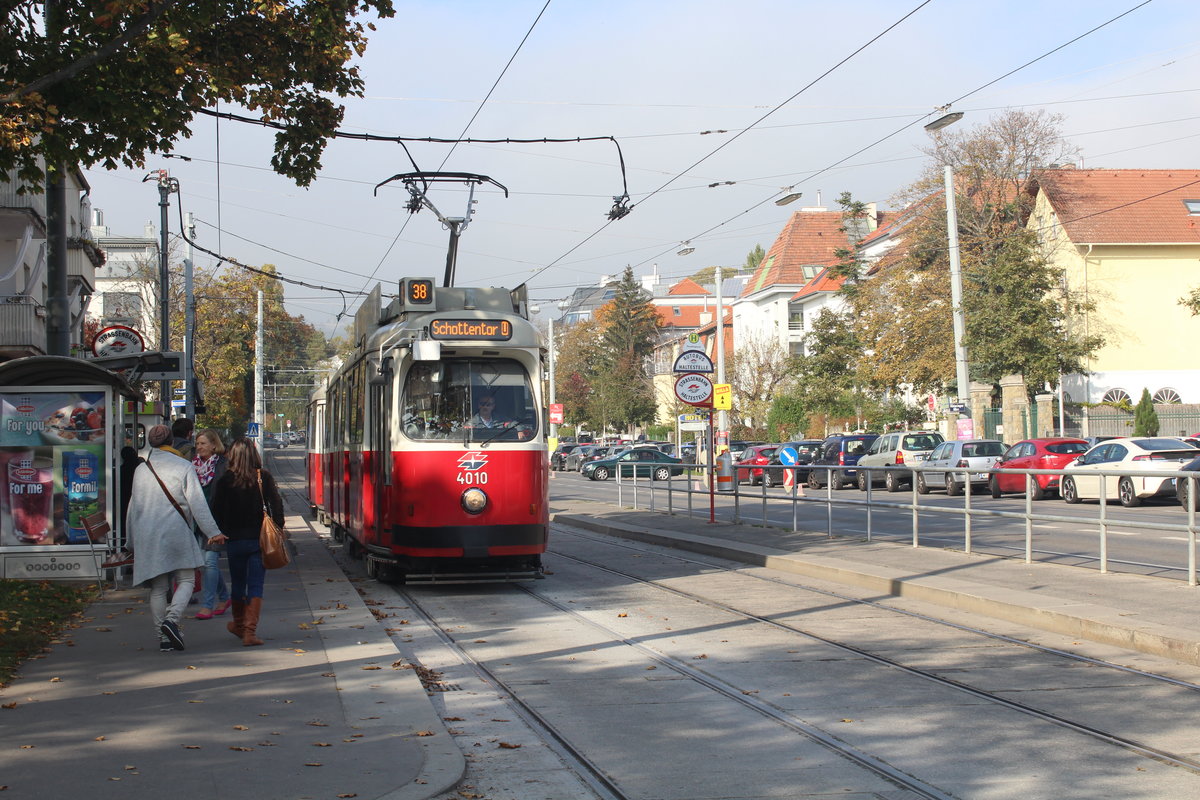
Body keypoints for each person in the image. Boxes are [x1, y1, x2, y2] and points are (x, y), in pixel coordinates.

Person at [127, 424, 227, 652]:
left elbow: (132, 508)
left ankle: (163, 637)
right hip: (176, 532)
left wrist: (130, 541)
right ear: (172, 442)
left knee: (159, 588)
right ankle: (172, 620)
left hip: (148, 534)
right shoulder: (184, 466)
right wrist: (213, 532)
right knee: (187, 579)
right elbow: (198, 504)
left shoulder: (141, 470)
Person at [210, 438, 284, 647]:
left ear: (232, 456)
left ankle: (239, 625)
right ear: (253, 455)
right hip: (258, 540)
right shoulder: (263, 477)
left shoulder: (225, 480)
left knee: (238, 583)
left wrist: (223, 531)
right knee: (256, 585)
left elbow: (216, 510)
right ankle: (250, 632)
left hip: (234, 541)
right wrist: (277, 528)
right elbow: (276, 506)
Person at [191, 429, 230, 620]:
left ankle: (207, 605)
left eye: (203, 443)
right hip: (197, 521)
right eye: (197, 444)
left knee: (209, 562)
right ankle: (224, 596)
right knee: (205, 564)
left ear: (214, 445)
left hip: (216, 521)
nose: (199, 447)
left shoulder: (223, 465)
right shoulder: (192, 466)